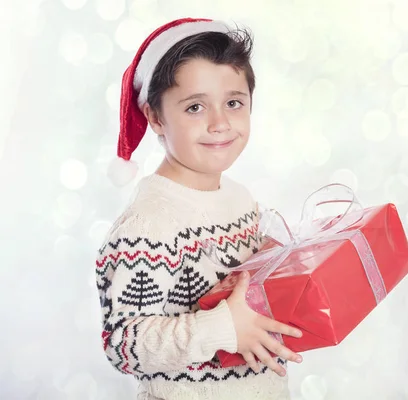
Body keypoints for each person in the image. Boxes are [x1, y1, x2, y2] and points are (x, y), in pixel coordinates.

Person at [95, 17, 303, 400]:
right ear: (155, 117)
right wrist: (221, 328)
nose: (220, 123)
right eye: (194, 108)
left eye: (234, 103)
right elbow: (123, 345)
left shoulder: (240, 198)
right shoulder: (148, 224)